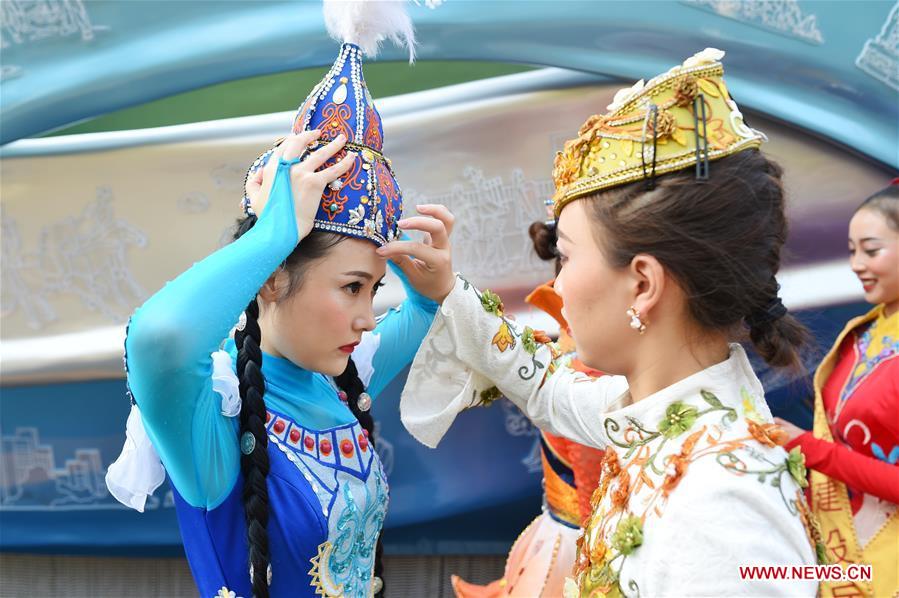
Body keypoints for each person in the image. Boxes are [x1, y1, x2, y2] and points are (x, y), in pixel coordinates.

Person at [390, 48, 822, 596]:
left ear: (642, 284)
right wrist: (447, 291)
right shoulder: (666, 420)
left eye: (566, 259)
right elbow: (548, 385)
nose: (558, 286)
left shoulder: (720, 511)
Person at [105, 11, 456, 596]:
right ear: (270, 281)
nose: (368, 317)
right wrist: (271, 238)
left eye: (374, 290)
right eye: (350, 288)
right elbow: (157, 339)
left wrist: (427, 297)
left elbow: (419, 315)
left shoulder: (341, 378)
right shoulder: (216, 412)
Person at [452, 221, 605, 598]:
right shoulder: (584, 369)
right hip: (581, 543)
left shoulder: (569, 358)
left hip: (561, 534)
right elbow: (591, 504)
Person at [775, 182, 899, 598]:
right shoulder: (862, 333)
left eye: (871, 250)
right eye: (851, 251)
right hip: (846, 553)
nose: (857, 264)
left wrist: (809, 449)